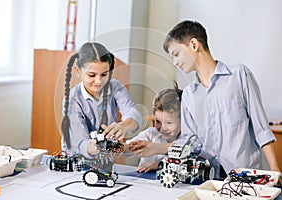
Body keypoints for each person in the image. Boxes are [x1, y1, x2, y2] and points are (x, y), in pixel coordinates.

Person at [163, 20, 282, 183]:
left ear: (194, 44)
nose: (175, 62)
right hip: (209, 180)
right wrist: (157, 150)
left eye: (176, 54)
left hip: (247, 179)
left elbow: (261, 128)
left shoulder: (239, 75)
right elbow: (189, 142)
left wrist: (275, 169)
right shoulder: (189, 95)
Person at [61, 42, 142, 159]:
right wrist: (99, 147)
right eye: (92, 75)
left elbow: (132, 113)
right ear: (77, 70)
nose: (98, 81)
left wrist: (124, 126)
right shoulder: (72, 100)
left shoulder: (116, 87)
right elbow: (79, 142)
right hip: (77, 159)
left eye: (104, 74)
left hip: (104, 158)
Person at [126, 87, 183, 172]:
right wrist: (117, 146)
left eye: (169, 123)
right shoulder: (151, 134)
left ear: (184, 121)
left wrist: (159, 165)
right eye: (158, 121)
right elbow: (129, 147)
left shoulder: (189, 141)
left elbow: (186, 159)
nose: (163, 128)